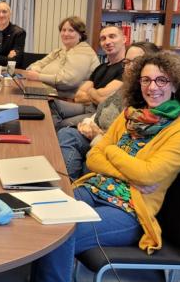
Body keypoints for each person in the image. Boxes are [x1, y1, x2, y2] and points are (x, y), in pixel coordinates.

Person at [29, 51, 180, 282]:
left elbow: (148, 176)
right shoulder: (129, 115)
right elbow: (93, 156)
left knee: (60, 233)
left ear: (175, 85)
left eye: (161, 80)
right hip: (93, 188)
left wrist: (110, 150)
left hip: (129, 209)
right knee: (42, 214)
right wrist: (121, 161)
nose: (152, 87)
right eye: (146, 80)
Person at [58, 41, 160, 179]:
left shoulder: (151, 98)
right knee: (67, 133)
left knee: (90, 159)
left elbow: (127, 144)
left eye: (135, 62)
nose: (129, 67)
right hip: (97, 138)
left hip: (112, 149)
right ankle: (67, 185)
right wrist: (89, 123)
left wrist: (97, 136)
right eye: (127, 62)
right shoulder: (123, 89)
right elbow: (100, 109)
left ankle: (70, 188)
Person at [50, 25, 127, 128]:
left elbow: (102, 100)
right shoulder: (101, 67)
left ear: (124, 39)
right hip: (87, 106)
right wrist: (96, 94)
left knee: (63, 124)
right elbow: (78, 96)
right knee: (51, 105)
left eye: (112, 36)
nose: (107, 42)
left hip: (101, 113)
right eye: (103, 39)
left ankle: (54, 139)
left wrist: (90, 91)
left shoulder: (127, 68)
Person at [24, 16, 100, 98]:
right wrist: (36, 71)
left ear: (80, 34)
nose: (66, 34)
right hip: (49, 91)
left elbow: (67, 82)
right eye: (63, 30)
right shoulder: (60, 51)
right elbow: (34, 66)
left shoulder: (83, 52)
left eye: (71, 30)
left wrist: (38, 76)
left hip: (68, 99)